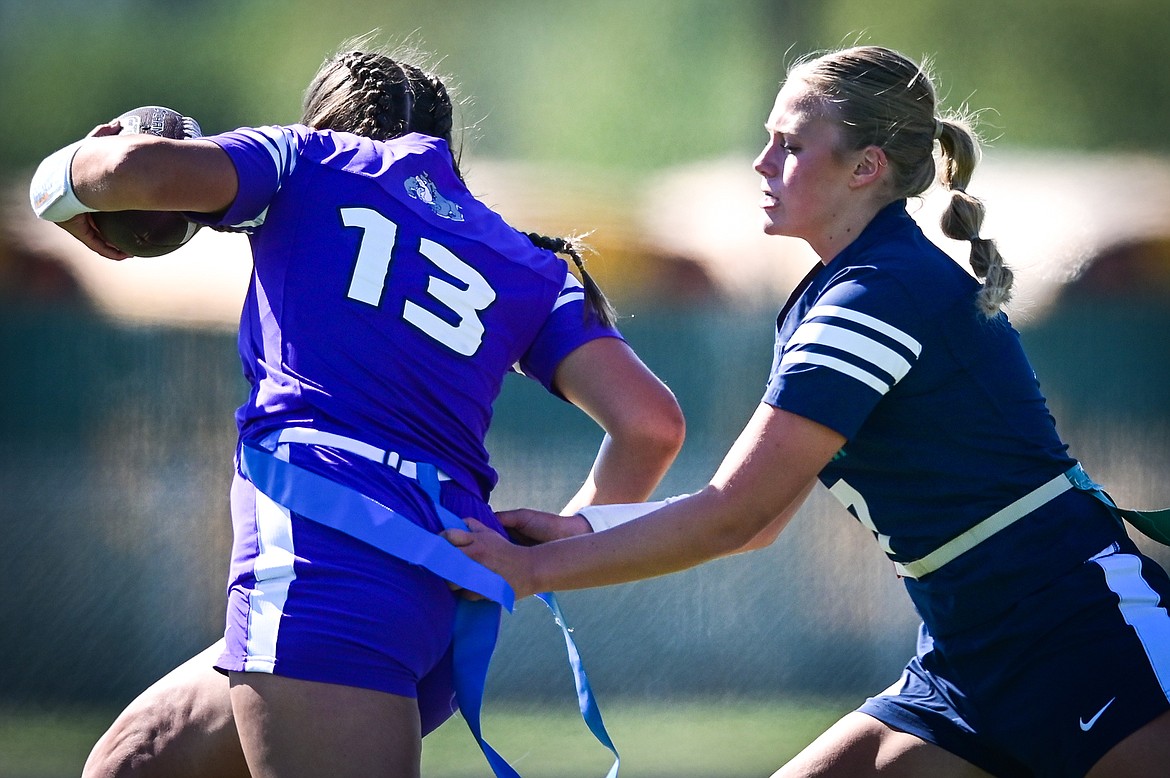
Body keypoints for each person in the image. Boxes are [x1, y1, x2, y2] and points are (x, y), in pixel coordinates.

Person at [446, 45, 1170, 777]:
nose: (762, 163)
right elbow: (757, 522)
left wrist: (535, 569)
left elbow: (733, 515)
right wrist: (578, 530)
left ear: (866, 167)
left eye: (789, 146)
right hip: (967, 659)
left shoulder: (879, 293)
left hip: (1080, 637)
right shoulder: (839, 291)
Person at [32, 40, 685, 778]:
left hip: (325, 565)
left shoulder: (307, 159)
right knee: (135, 761)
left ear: (331, 120)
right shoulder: (523, 258)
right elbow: (651, 425)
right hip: (435, 588)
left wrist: (55, 179)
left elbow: (128, 171)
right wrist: (563, 546)